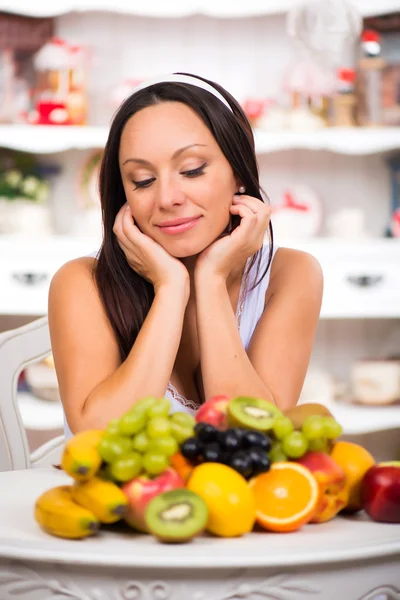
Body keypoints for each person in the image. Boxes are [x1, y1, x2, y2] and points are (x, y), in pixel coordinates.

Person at [48, 72, 323, 438]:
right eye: (143, 180)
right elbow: (98, 441)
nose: (167, 199)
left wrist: (210, 280)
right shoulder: (81, 283)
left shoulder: (291, 274)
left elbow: (259, 438)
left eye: (192, 170)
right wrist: (170, 288)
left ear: (239, 172)